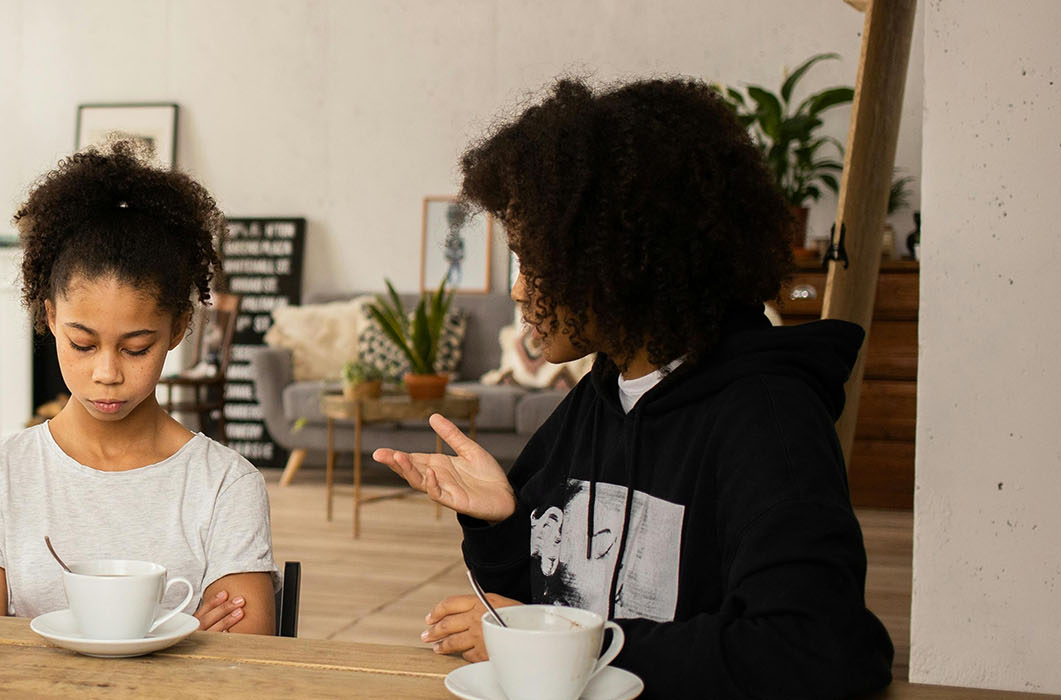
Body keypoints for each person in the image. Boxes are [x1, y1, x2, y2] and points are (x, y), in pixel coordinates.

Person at [373, 79, 894, 698]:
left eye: (534, 261)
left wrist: (556, 645)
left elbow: (815, 649)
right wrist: (504, 524)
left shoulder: (768, 421)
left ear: (619, 261)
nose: (518, 290)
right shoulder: (599, 398)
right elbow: (545, 598)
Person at [0, 142, 277, 634]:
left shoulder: (225, 485)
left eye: (136, 348)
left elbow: (245, 664)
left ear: (179, 328)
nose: (108, 373)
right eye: (82, 344)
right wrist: (177, 635)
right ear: (50, 317)